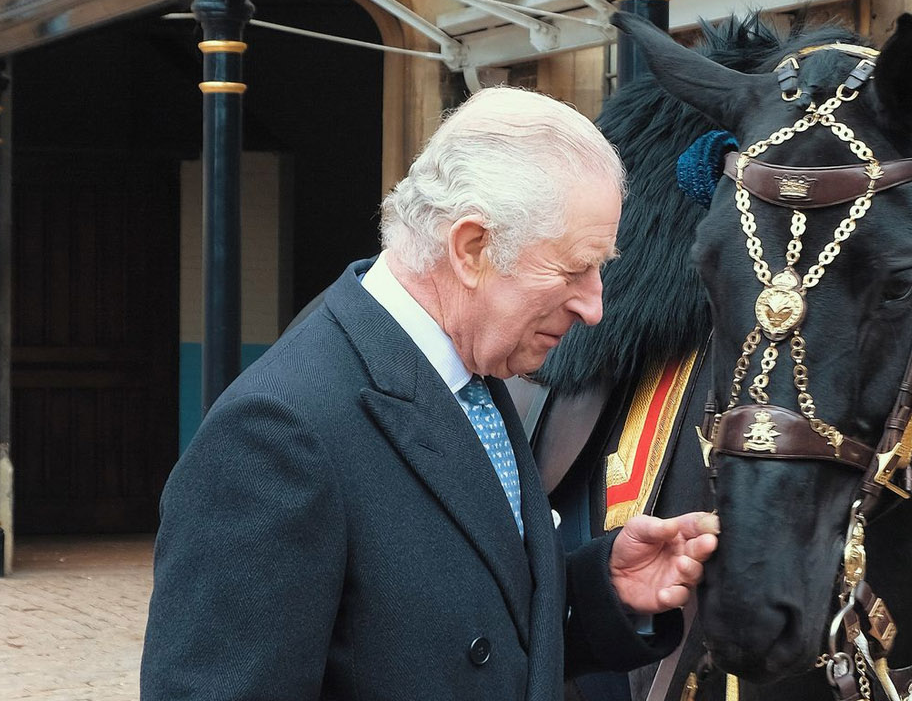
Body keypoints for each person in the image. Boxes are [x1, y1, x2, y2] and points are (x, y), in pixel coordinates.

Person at [140, 87, 719, 700]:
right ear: (471, 249)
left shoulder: (473, 374)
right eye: (574, 268)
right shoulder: (276, 433)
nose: (595, 306)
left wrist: (602, 590)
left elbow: (463, 633)